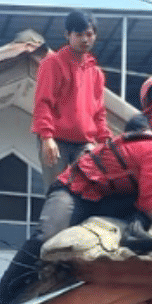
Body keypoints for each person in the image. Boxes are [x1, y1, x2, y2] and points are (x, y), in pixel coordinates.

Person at [0, 109, 152, 304]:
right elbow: (149, 203)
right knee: (46, 237)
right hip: (74, 190)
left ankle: (134, 234)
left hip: (100, 199)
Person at [33, 10, 110, 185]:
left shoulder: (96, 73)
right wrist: (46, 138)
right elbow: (43, 102)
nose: (85, 39)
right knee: (57, 191)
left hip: (84, 143)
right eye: (79, 34)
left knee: (87, 189)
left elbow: (99, 113)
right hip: (56, 140)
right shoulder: (52, 63)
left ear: (95, 36)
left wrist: (105, 142)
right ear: (68, 35)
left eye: (89, 34)